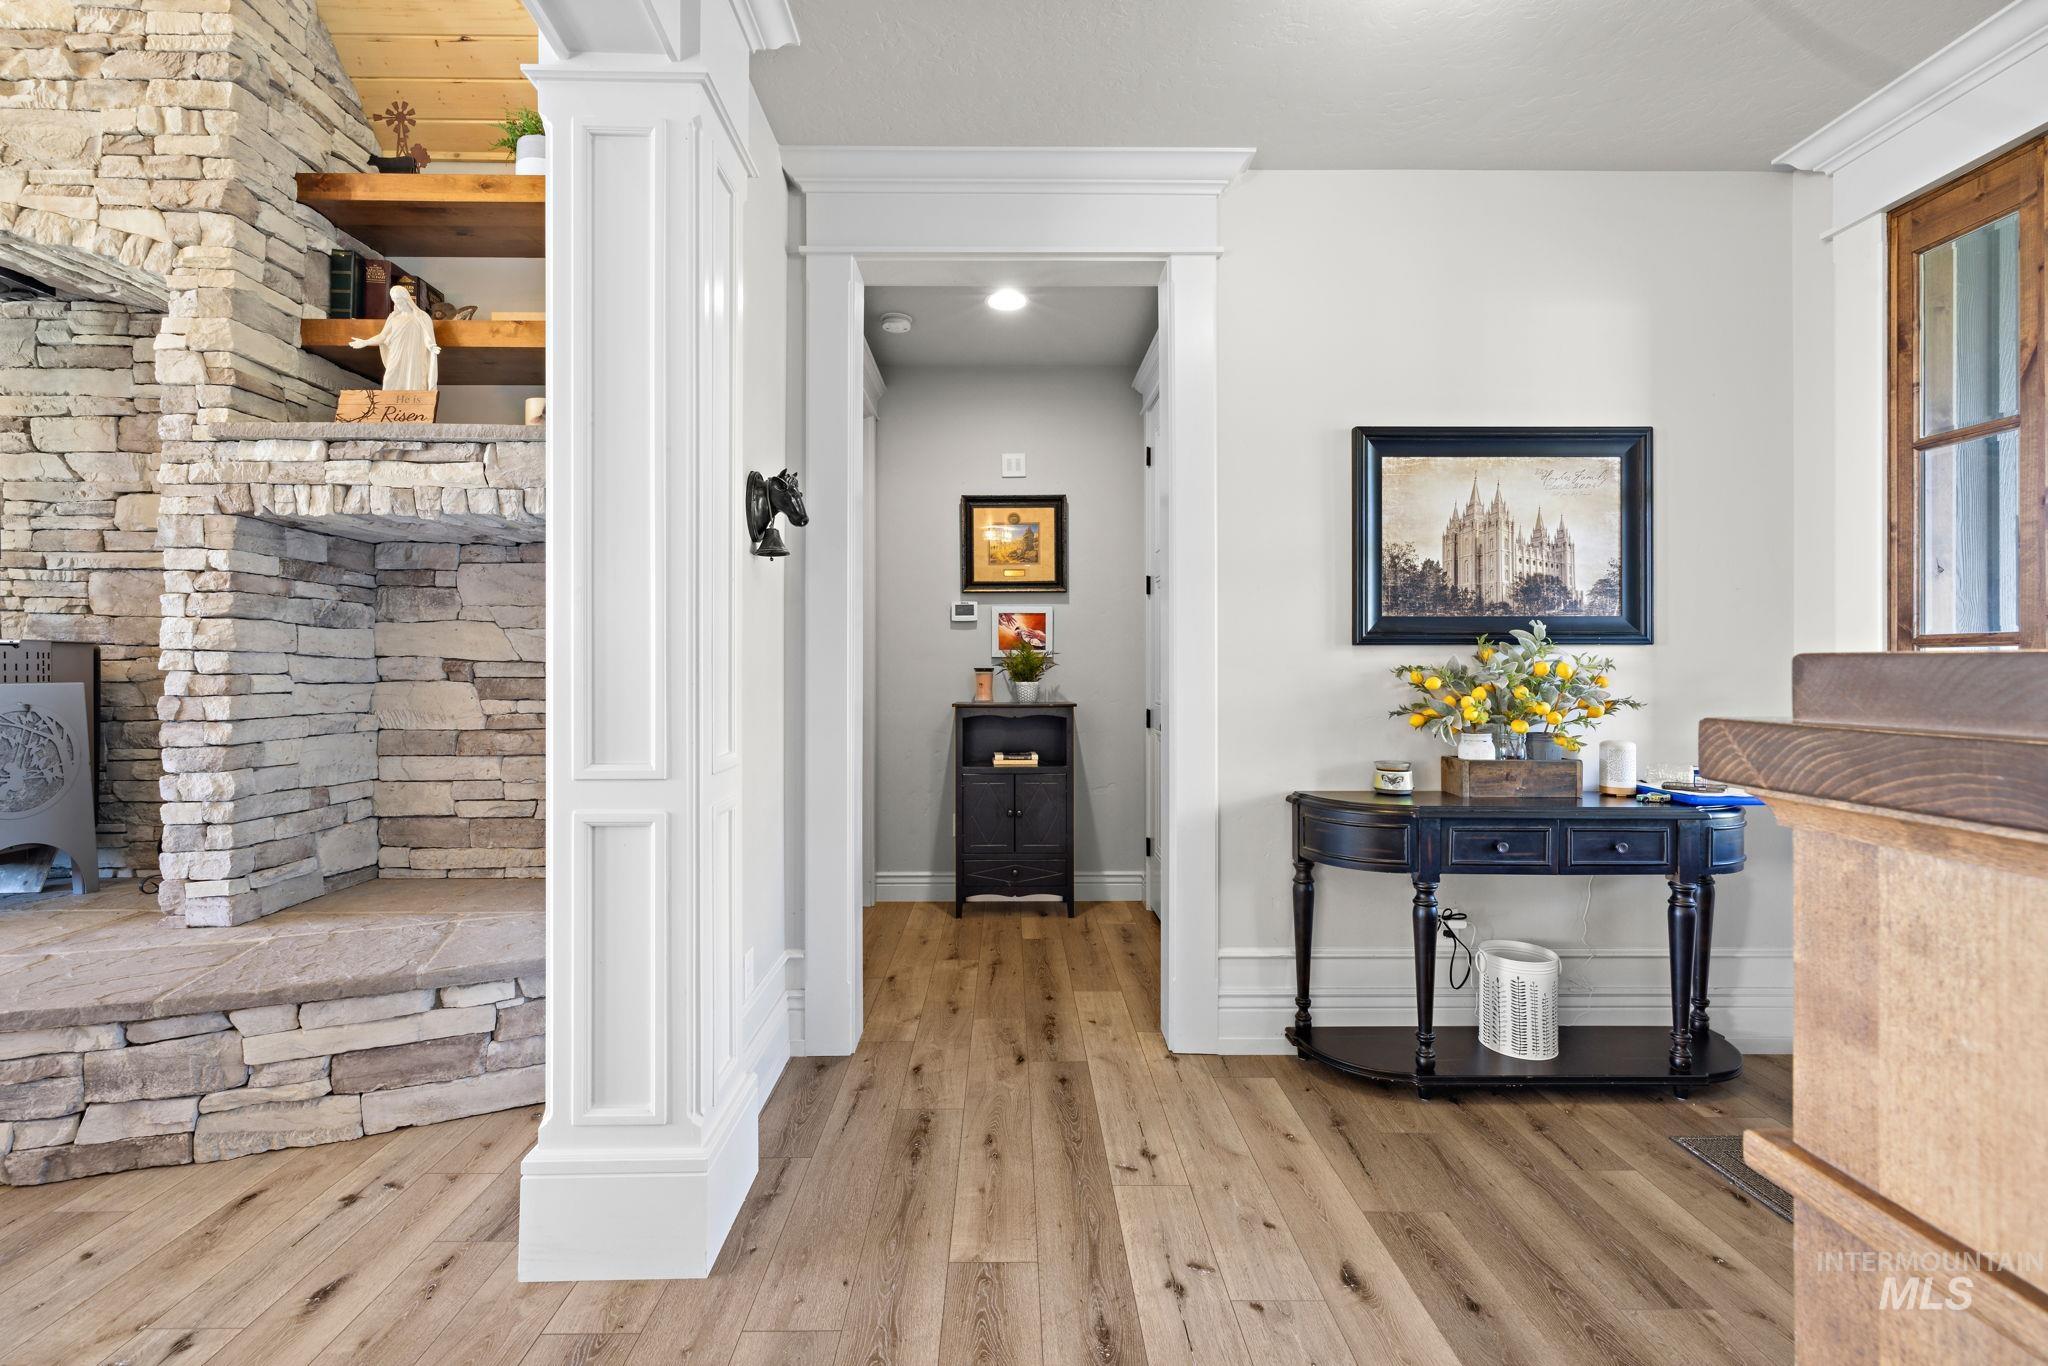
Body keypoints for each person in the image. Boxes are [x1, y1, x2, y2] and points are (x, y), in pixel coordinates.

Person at [348, 284, 440, 390]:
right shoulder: (393, 317)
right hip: (396, 352)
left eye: (398, 299)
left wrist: (432, 346)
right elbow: (383, 336)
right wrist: (366, 342)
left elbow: (427, 335)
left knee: (414, 382)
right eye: (394, 300)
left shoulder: (421, 316)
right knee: (389, 379)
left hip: (413, 355)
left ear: (406, 298)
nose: (397, 303)